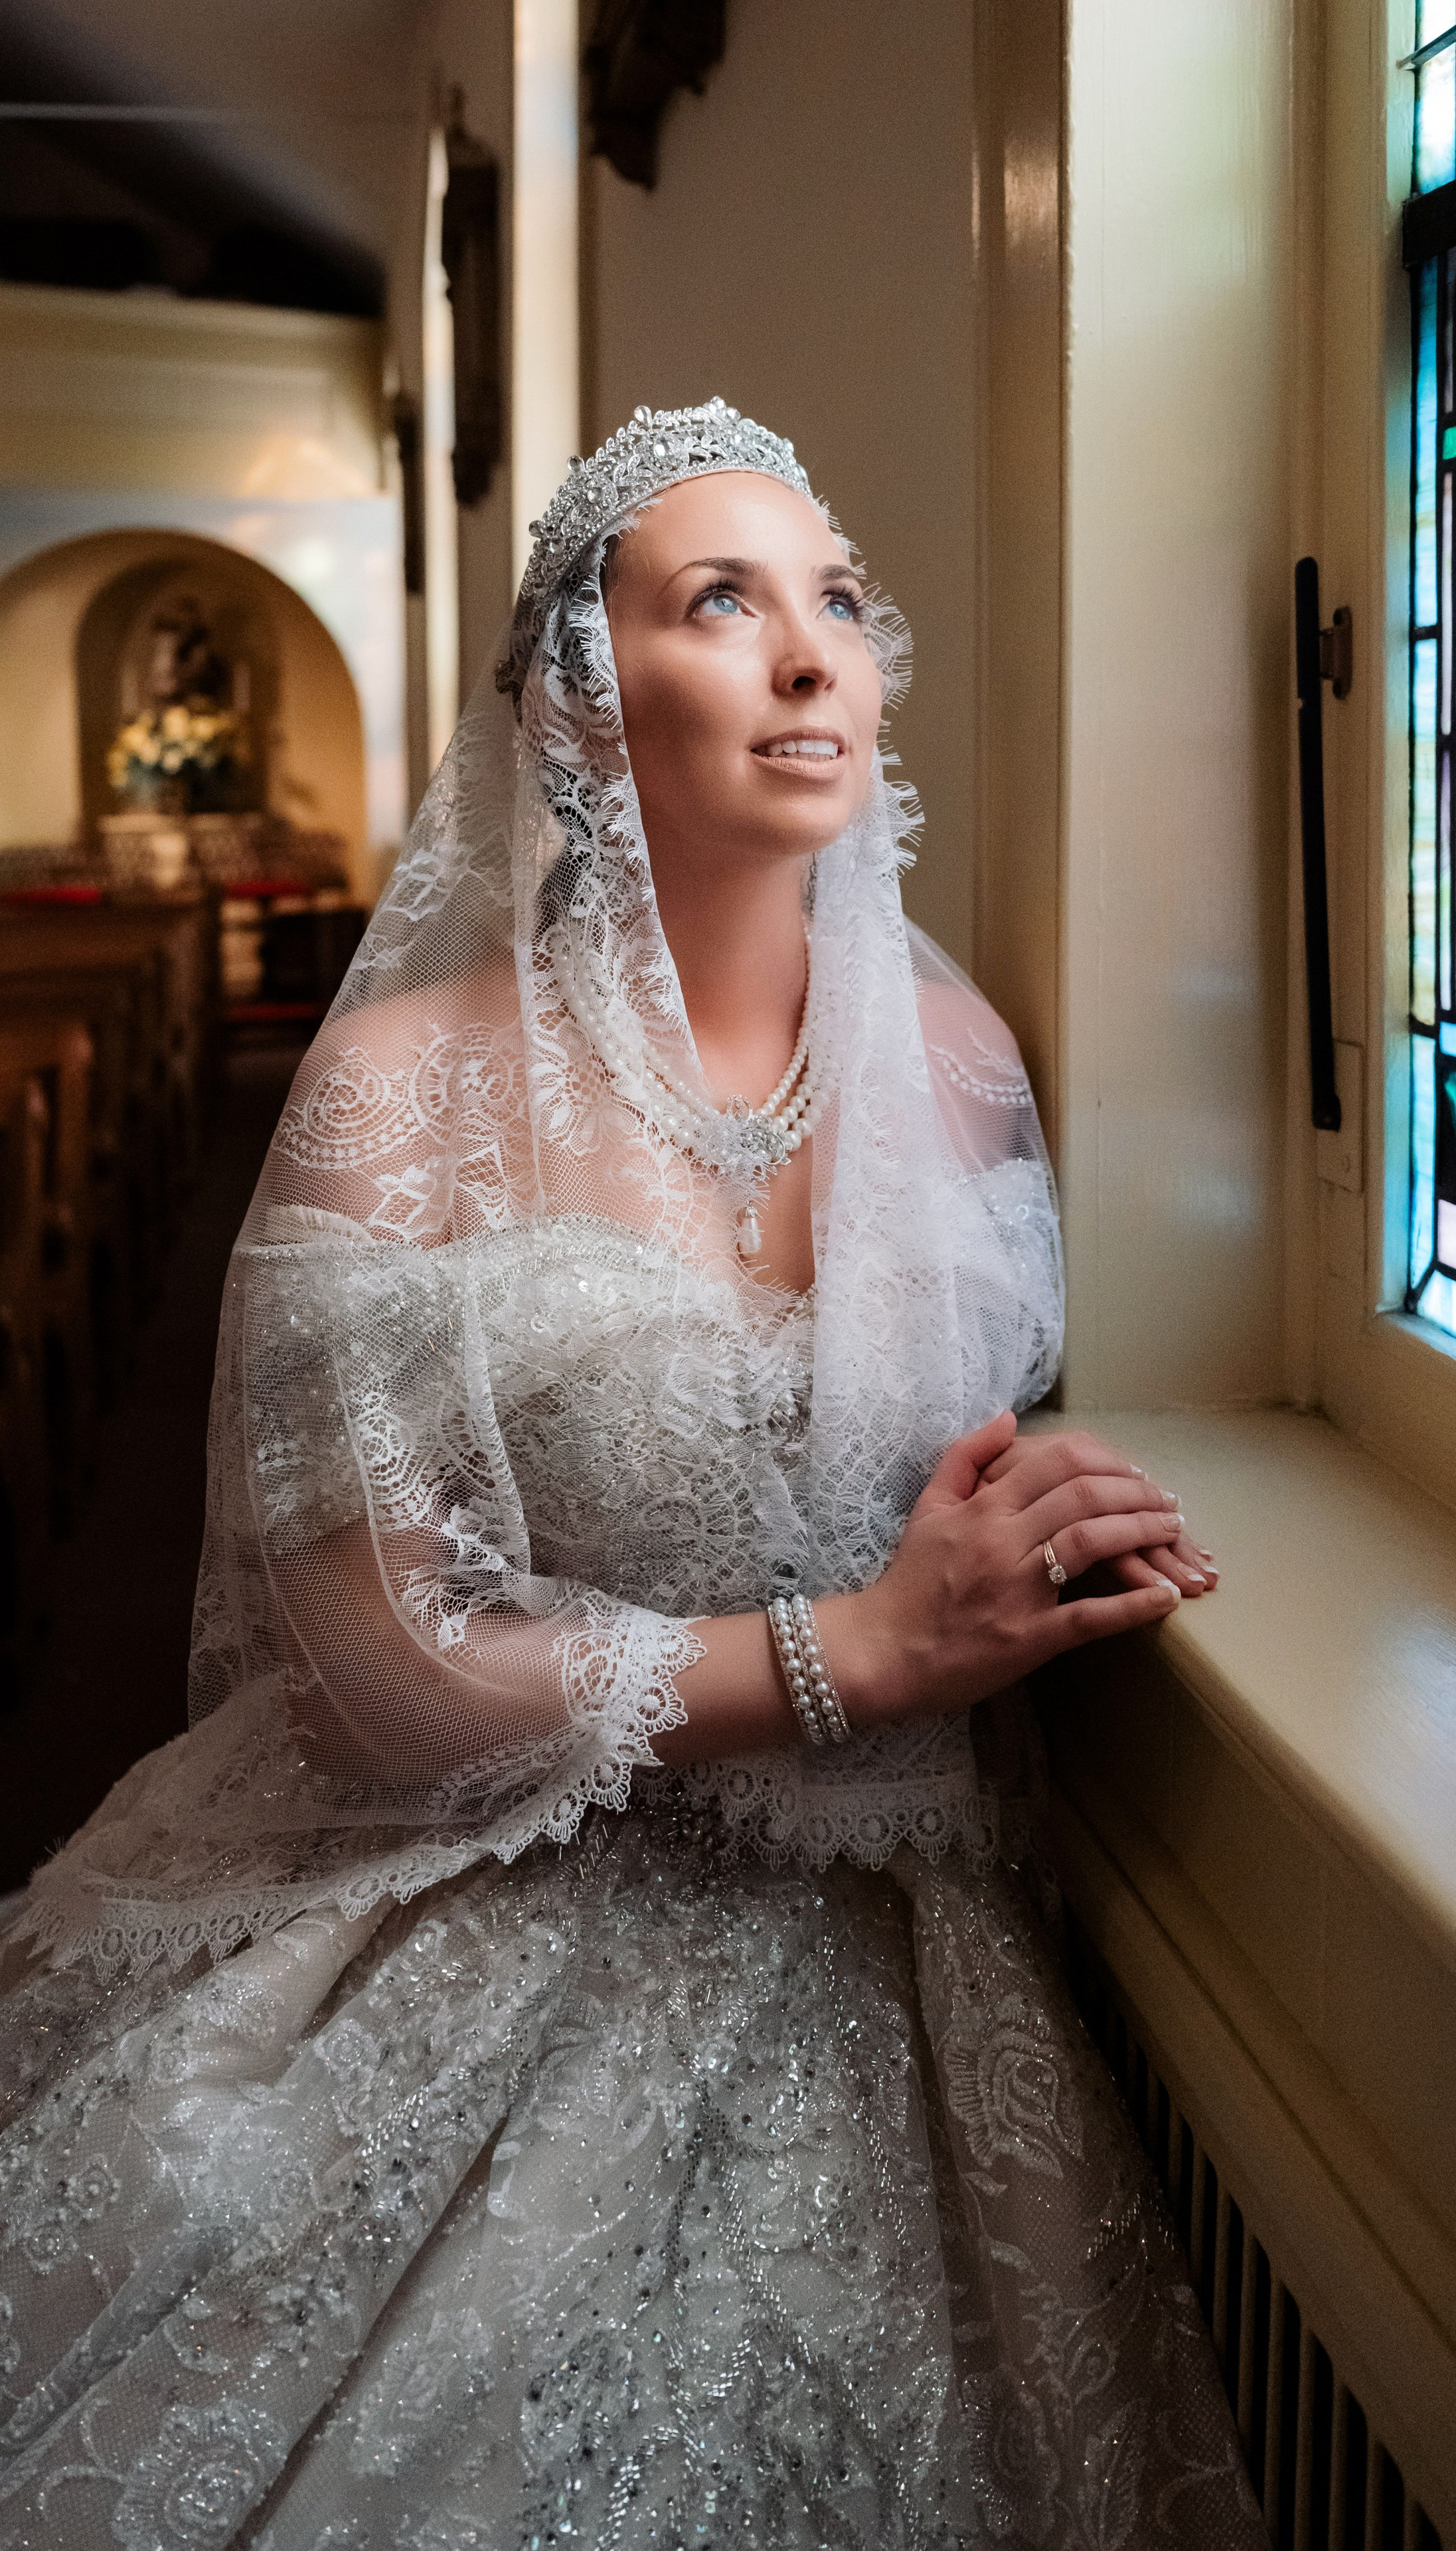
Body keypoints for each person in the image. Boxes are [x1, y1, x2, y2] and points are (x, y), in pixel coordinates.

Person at [0, 402, 1263, 2550]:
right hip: (491, 1902)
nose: (813, 656)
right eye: (723, 600)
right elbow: (373, 1665)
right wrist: (858, 1644)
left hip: (899, 1939)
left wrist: (1022, 1535)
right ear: (577, 707)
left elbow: (966, 1439)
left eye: (838, 600)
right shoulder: (400, 1091)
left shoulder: (964, 1068)